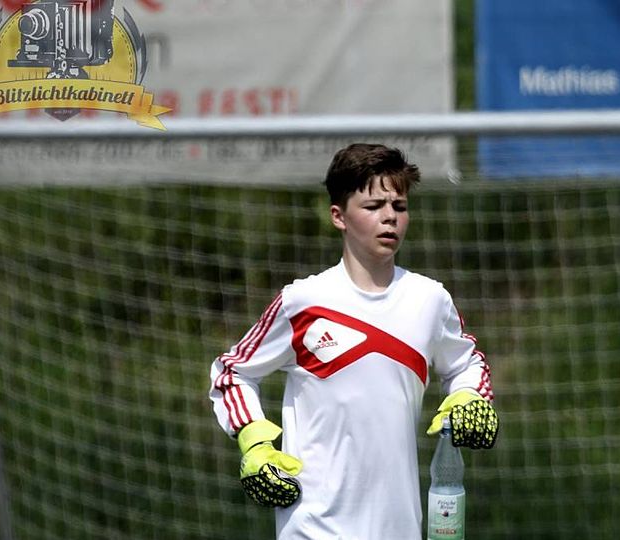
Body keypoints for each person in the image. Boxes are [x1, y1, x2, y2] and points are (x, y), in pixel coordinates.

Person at [208, 143, 498, 539]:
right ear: (338, 216)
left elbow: (467, 364)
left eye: (399, 206)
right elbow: (231, 373)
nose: (390, 217)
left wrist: (468, 398)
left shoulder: (430, 300)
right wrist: (255, 442)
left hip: (399, 528)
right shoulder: (302, 302)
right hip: (313, 528)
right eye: (373, 206)